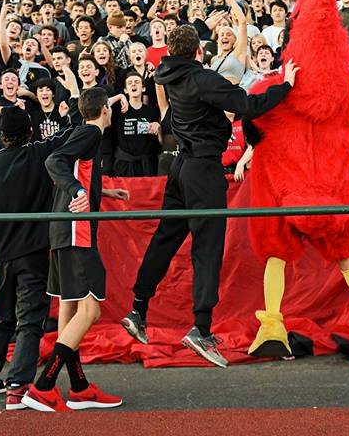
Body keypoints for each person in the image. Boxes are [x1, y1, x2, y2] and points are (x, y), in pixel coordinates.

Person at [121, 24, 297, 367]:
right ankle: (201, 328)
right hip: (202, 170)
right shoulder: (201, 79)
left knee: (165, 239)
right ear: (198, 52)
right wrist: (287, 84)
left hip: (179, 167)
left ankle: (138, 309)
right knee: (208, 248)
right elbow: (249, 105)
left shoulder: (165, 75)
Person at [21, 88, 129, 412]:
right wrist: (79, 189)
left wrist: (105, 191)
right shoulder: (91, 132)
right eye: (110, 108)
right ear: (104, 112)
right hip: (75, 231)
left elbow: (74, 171)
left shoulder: (86, 135)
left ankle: (79, 387)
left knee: (69, 311)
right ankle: (43, 386)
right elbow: (55, 161)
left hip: (63, 230)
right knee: (91, 310)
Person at [0, 106, 75, 411]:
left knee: (2, 315)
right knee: (30, 319)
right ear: (29, 132)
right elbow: (73, 131)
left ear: (1, 136)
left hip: (1, 253)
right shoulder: (37, 154)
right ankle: (18, 387)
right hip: (31, 253)